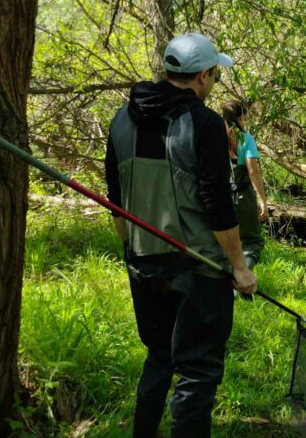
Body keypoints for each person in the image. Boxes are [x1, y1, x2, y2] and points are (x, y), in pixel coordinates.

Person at [104, 33, 257, 437]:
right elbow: (216, 203)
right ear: (203, 75)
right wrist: (239, 266)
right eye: (215, 75)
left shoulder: (121, 119)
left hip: (143, 264)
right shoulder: (204, 123)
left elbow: (116, 201)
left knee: (159, 357)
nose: (214, 83)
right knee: (198, 370)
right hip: (198, 270)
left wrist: (131, 249)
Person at [221, 100, 268, 269]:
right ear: (240, 117)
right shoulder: (246, 139)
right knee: (252, 242)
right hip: (243, 197)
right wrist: (262, 200)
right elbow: (253, 171)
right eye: (244, 118)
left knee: (223, 242)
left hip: (221, 196)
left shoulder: (215, 137)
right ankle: (243, 275)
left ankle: (226, 279)